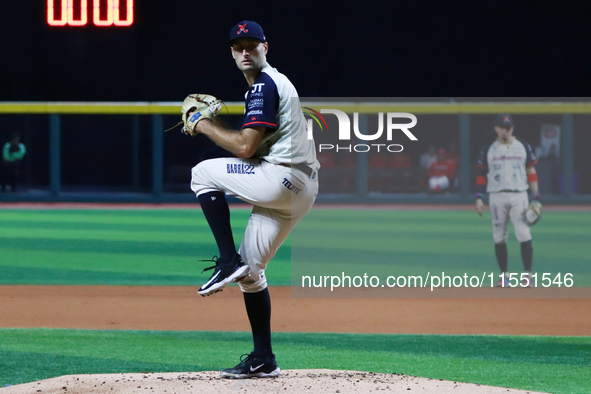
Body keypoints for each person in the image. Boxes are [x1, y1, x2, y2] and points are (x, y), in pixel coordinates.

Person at [187, 21, 319, 379]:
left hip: (282, 180)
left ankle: (227, 260)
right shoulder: (270, 85)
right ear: (231, 53)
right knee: (253, 272)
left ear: (265, 47)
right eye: (238, 46)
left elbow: (245, 148)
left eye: (251, 45)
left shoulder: (264, 84)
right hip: (300, 190)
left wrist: (202, 124)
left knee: (202, 173)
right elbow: (255, 147)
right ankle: (264, 358)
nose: (245, 52)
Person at [475, 114, 539, 287]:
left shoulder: (523, 146)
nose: (506, 130)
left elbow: (531, 170)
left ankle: (527, 276)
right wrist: (479, 197)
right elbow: (481, 173)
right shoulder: (489, 148)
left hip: (519, 195)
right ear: (496, 128)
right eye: (502, 127)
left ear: (513, 128)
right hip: (497, 196)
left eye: (509, 127)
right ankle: (504, 277)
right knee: (499, 236)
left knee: (524, 234)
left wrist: (536, 196)